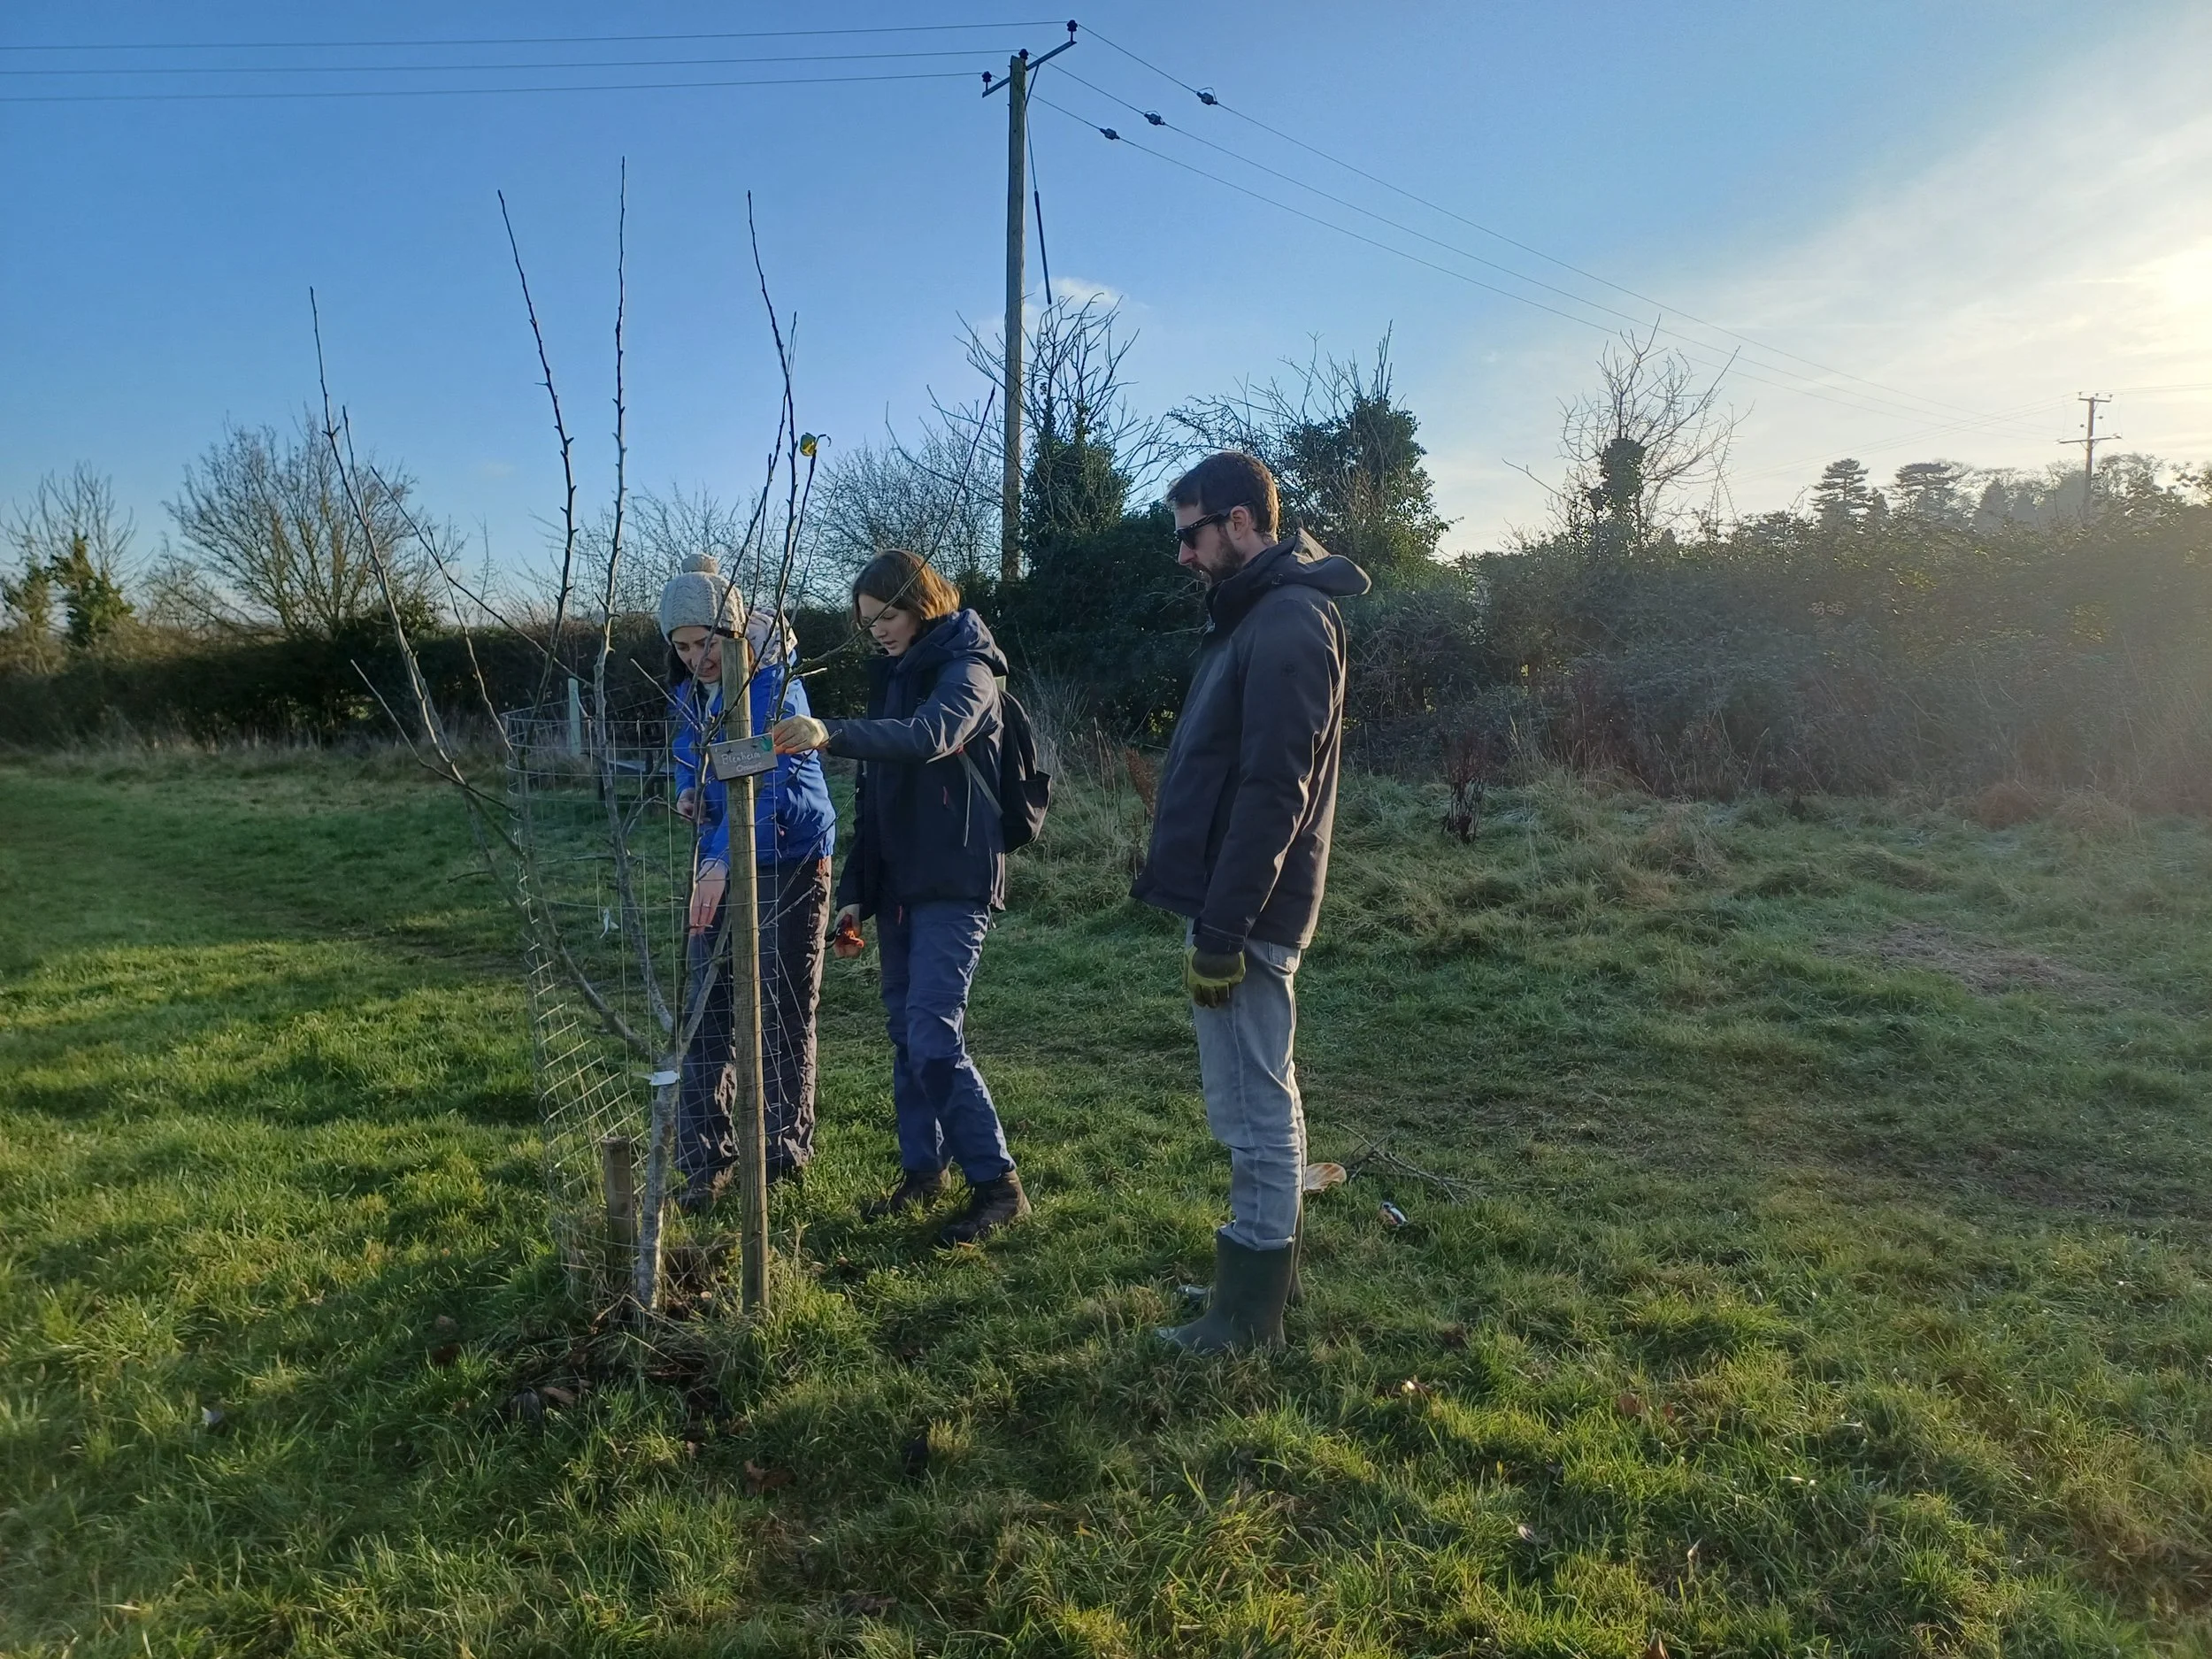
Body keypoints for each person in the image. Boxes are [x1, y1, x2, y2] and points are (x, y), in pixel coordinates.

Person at [1133, 451, 1370, 1353]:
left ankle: (1248, 1315)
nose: (1183, 557)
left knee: (1258, 1102)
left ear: (1238, 522)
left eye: (1190, 535)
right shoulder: (1254, 616)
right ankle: (1255, 1275)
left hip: (1252, 911)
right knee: (1244, 1099)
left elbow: (1277, 788)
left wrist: (1226, 924)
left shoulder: (1288, 622)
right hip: (1231, 901)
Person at [771, 550, 1030, 1246]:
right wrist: (857, 893)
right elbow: (876, 799)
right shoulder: (895, 676)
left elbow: (928, 738)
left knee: (932, 1034)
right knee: (906, 1036)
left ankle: (999, 1185)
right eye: (868, 622)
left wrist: (833, 731)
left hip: (959, 879)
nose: (877, 630)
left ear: (923, 603)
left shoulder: (968, 671)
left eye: (886, 615)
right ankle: (924, 1172)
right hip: (903, 888)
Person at [659, 552, 838, 1214]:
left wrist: (717, 859)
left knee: (780, 1004)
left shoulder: (774, 682)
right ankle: (705, 1160)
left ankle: (782, 1154)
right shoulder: (689, 694)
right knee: (707, 1010)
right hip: (720, 855)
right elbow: (692, 760)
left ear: (730, 631)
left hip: (789, 858)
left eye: (704, 640)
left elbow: (769, 783)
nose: (694, 656)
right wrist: (685, 791)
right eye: (680, 645)